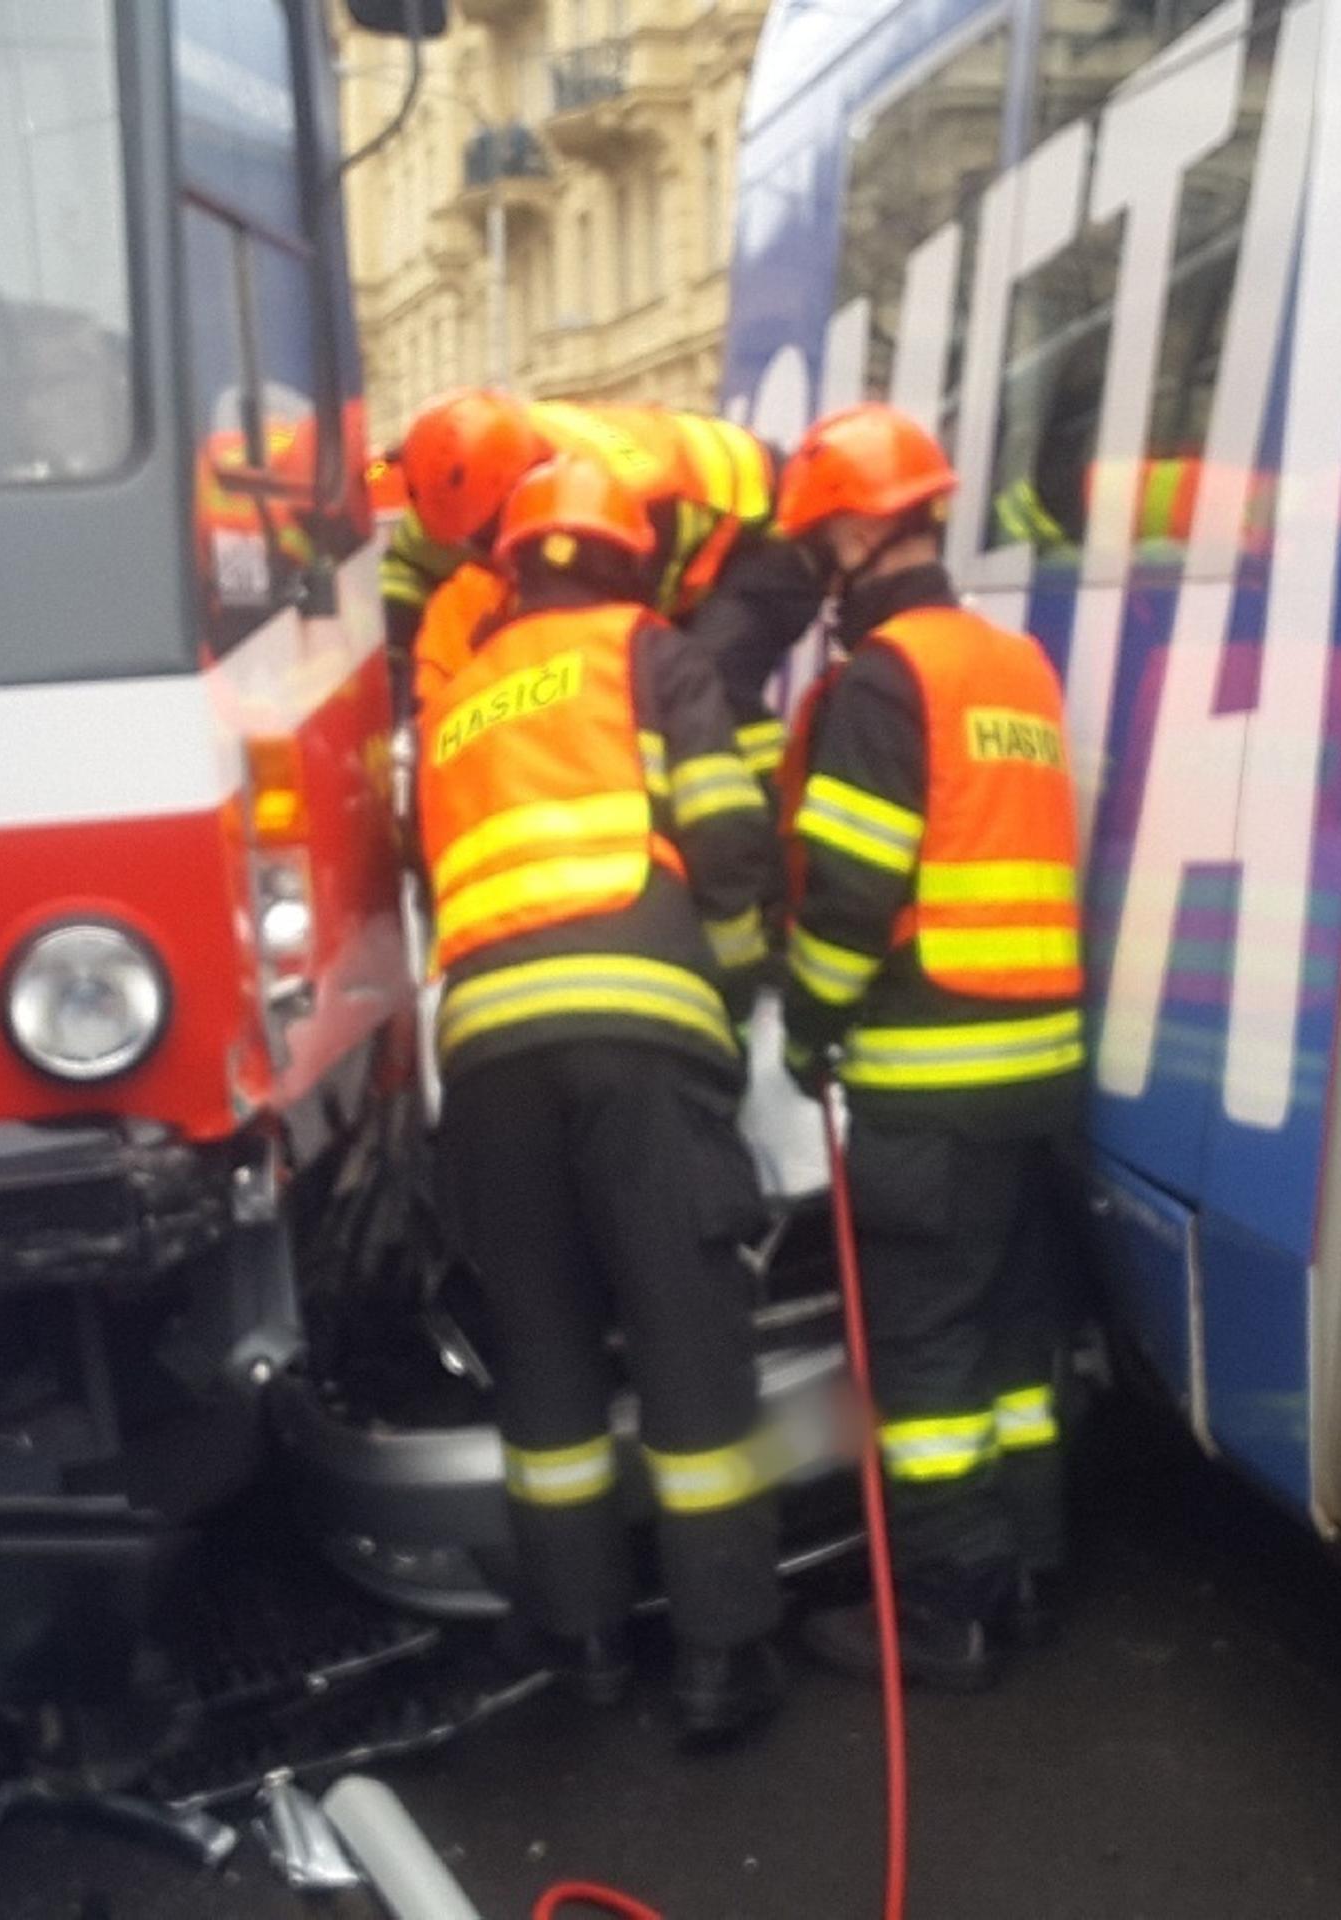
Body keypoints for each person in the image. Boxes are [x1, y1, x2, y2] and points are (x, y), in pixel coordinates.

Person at [416, 453, 786, 1741]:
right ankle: (719, 1662)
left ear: (511, 565)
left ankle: (581, 1648)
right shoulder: (647, 649)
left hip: (484, 1060)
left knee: (547, 1355)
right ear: (630, 557)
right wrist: (729, 993)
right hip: (639, 1037)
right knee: (687, 1345)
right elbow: (731, 833)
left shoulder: (455, 701)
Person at [771, 403, 1086, 1691]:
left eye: (812, 547)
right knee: (1017, 1339)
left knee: (927, 1362)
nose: (808, 576)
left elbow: (849, 894)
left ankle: (947, 1614)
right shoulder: (1013, 664)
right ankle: (1032, 1567)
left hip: (928, 1078)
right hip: (1037, 1070)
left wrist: (807, 1027)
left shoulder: (884, 679)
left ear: (854, 530)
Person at [385, 392, 819, 793]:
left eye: (486, 536)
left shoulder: (621, 502)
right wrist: (394, 674)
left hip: (782, 527)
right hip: (717, 512)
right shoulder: (480, 462)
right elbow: (411, 563)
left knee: (700, 685)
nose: (483, 550)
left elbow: (618, 644)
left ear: (521, 488)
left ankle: (755, 807)